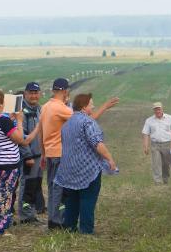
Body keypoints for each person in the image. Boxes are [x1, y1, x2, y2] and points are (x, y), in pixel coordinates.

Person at [39, 78, 118, 229]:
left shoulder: (45, 107)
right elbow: (84, 121)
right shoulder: (61, 109)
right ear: (65, 91)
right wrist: (105, 106)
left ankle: (59, 221)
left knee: (56, 188)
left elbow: (41, 132)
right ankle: (56, 222)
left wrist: (43, 153)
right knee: (62, 191)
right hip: (60, 153)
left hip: (50, 152)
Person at [0, 88, 41, 236]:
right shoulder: (3, 121)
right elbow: (21, 139)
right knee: (6, 197)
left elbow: (0, 132)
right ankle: (0, 229)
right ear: (1, 102)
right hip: (8, 165)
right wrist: (19, 121)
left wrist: (11, 120)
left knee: (0, 194)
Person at [16, 82, 46, 223]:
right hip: (29, 157)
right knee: (27, 185)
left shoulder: (39, 109)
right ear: (25, 94)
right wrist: (27, 156)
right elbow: (21, 137)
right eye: (31, 93)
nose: (34, 95)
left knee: (35, 185)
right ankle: (25, 216)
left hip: (39, 155)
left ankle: (32, 212)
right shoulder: (22, 112)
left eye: (36, 92)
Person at [142, 101, 171, 185]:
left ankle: (166, 179)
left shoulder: (169, 118)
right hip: (155, 145)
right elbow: (146, 133)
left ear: (162, 109)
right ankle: (157, 181)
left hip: (167, 144)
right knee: (156, 163)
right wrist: (146, 146)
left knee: (166, 163)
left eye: (159, 109)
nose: (157, 111)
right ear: (153, 111)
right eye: (155, 110)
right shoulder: (149, 121)